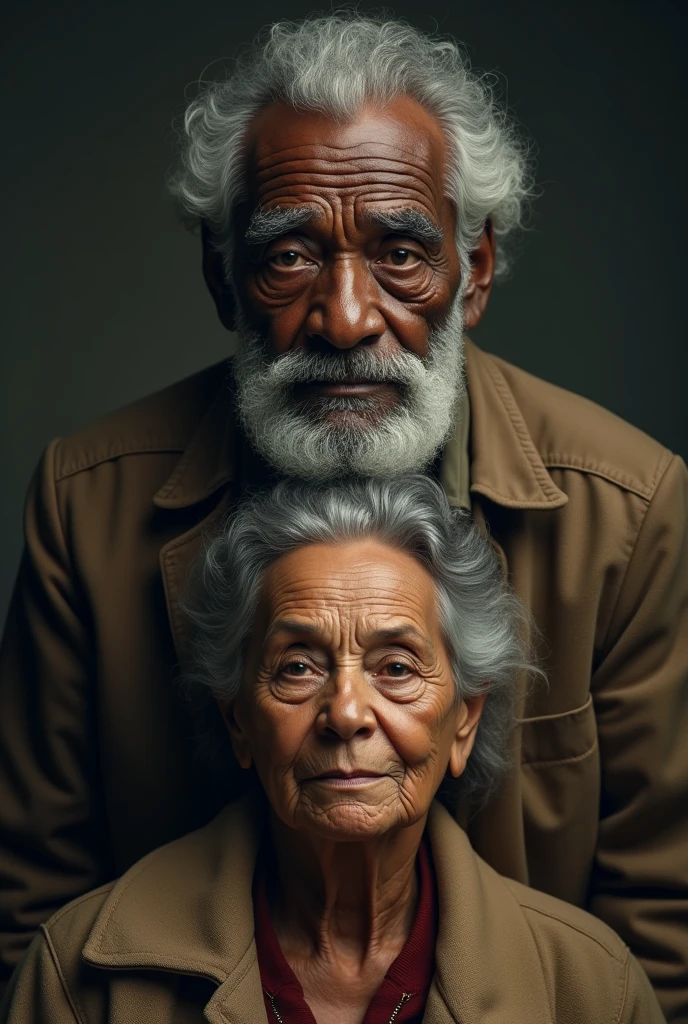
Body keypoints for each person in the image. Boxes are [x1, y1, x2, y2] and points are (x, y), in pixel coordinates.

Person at [0, 13, 686, 1019]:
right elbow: (30, 909)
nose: (347, 316)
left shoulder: (624, 512)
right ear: (220, 274)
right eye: (288, 255)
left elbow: (662, 936)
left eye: (401, 251)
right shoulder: (87, 500)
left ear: (476, 270)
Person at [0, 477, 665, 1024]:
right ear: (238, 721)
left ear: (464, 721)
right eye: (297, 667)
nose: (346, 714)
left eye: (397, 668)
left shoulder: (592, 989)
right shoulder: (78, 982)